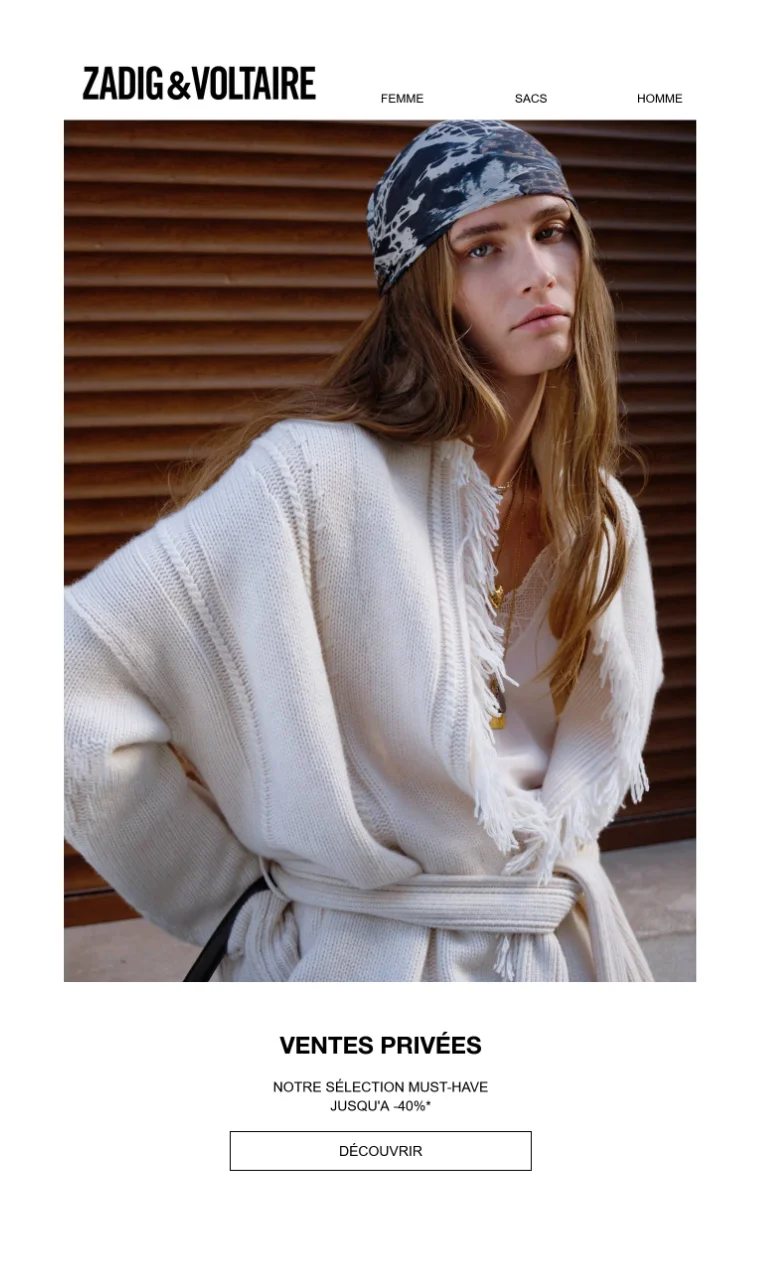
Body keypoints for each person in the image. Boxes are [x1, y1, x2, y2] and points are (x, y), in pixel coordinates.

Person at [64, 120, 664, 981]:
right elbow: (63, 679)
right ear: (424, 291)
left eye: (552, 230)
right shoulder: (313, 476)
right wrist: (234, 906)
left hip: (568, 958)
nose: (538, 271)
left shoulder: (600, 515)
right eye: (482, 248)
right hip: (370, 971)